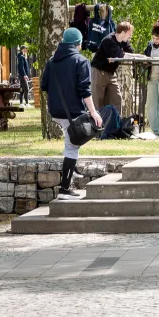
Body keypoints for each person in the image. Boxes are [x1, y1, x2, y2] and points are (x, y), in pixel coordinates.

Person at [43, 29, 102, 198]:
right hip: (72, 112)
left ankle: (73, 166)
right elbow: (85, 90)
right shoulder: (81, 61)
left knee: (71, 141)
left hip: (55, 111)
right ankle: (64, 189)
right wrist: (94, 112)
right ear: (79, 43)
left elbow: (44, 86)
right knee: (72, 147)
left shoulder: (51, 61)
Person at [92, 20, 136, 111]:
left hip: (111, 73)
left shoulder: (123, 41)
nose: (130, 36)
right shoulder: (108, 40)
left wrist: (143, 57)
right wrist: (141, 57)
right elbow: (122, 55)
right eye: (129, 34)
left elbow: (130, 51)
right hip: (99, 72)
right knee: (98, 101)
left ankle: (114, 123)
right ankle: (97, 124)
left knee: (116, 99)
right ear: (123, 32)